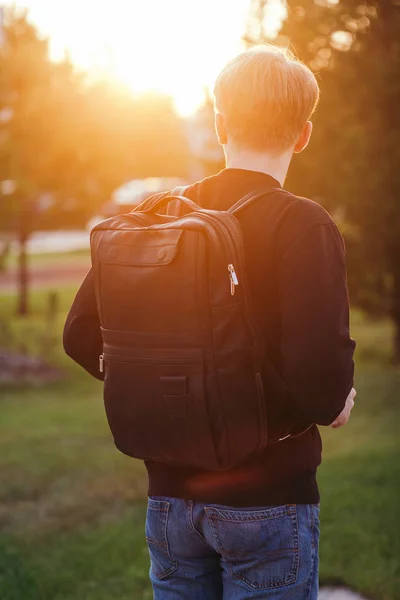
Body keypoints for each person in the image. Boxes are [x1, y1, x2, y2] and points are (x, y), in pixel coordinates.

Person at [63, 44, 356, 600]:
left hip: (170, 496)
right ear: (303, 134)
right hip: (270, 498)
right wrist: (334, 400)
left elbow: (79, 334)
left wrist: (172, 389)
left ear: (220, 123)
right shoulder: (303, 224)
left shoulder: (158, 215)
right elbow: (321, 382)